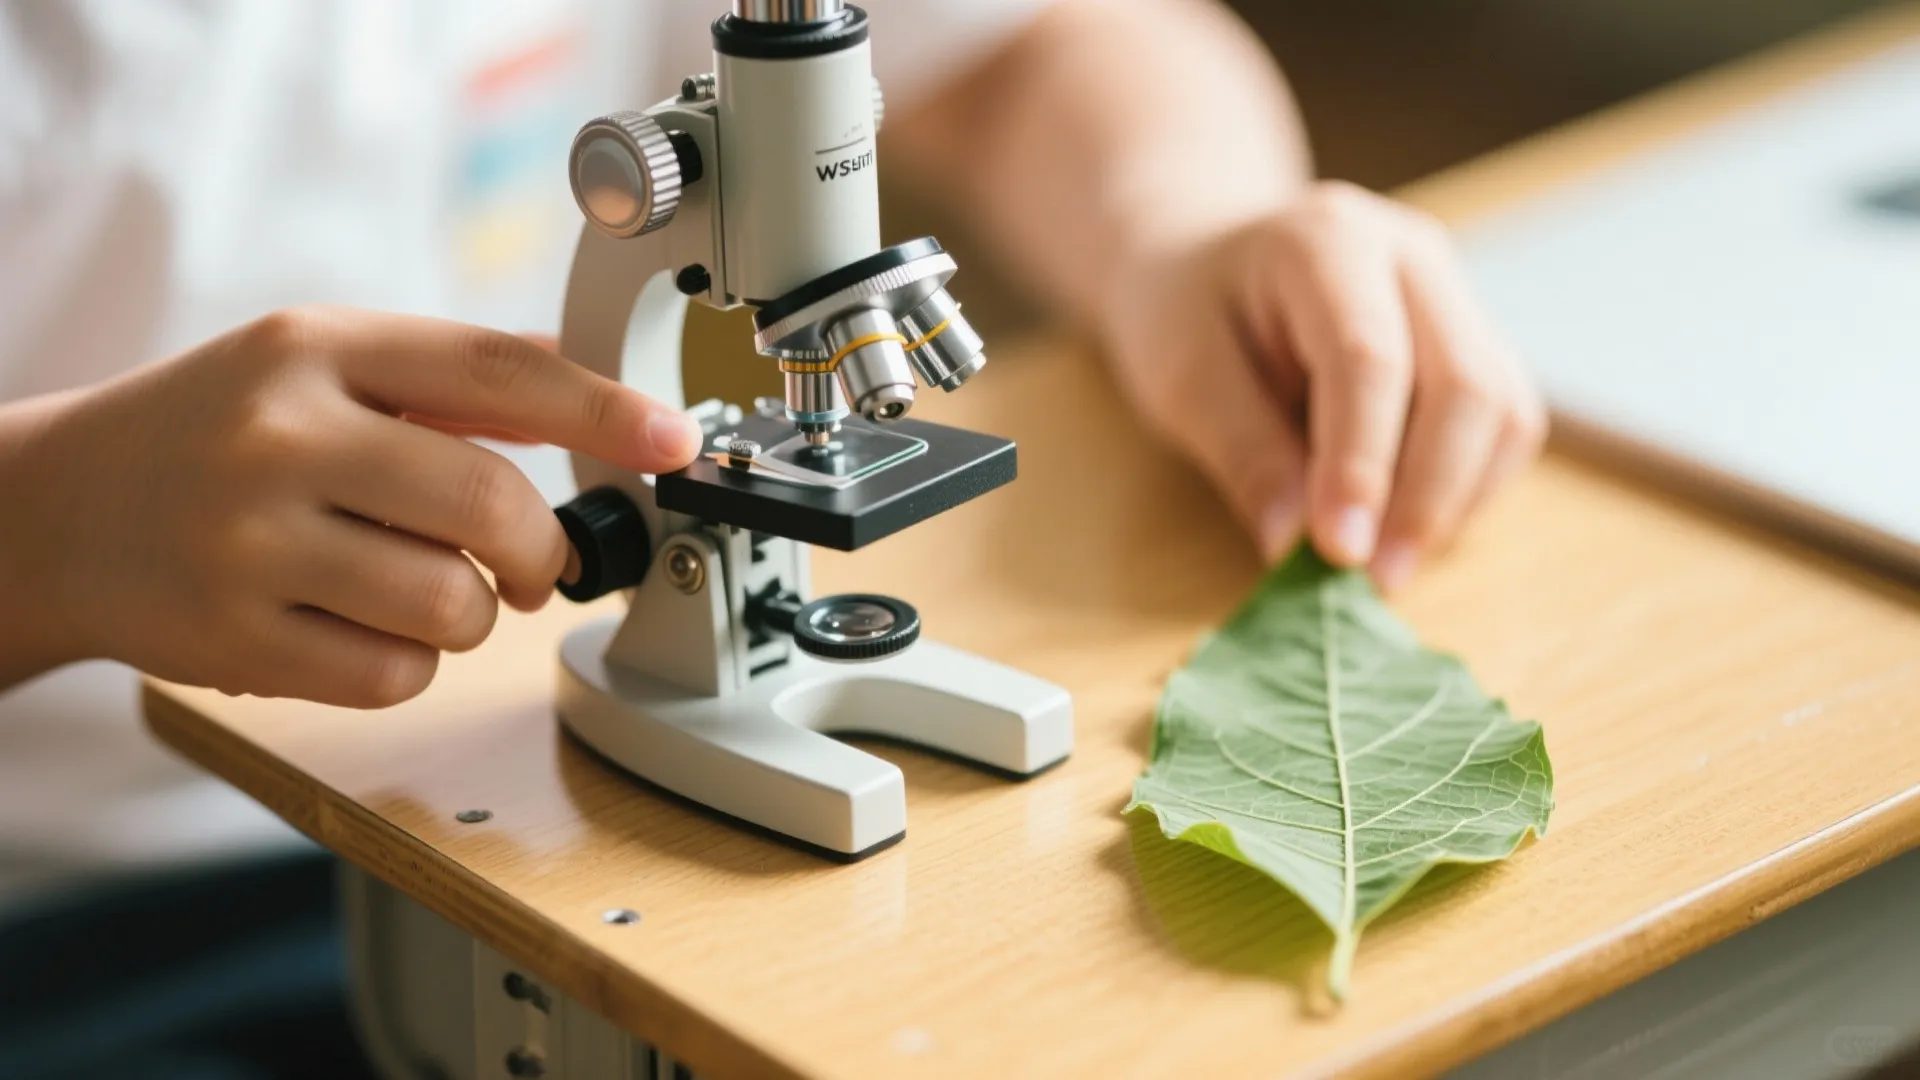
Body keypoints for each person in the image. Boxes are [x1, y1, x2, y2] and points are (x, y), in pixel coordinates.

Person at [0, 1, 1544, 1076]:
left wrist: (1187, 224)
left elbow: (1031, 46)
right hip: (78, 918)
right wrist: (52, 521)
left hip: (489, 807)